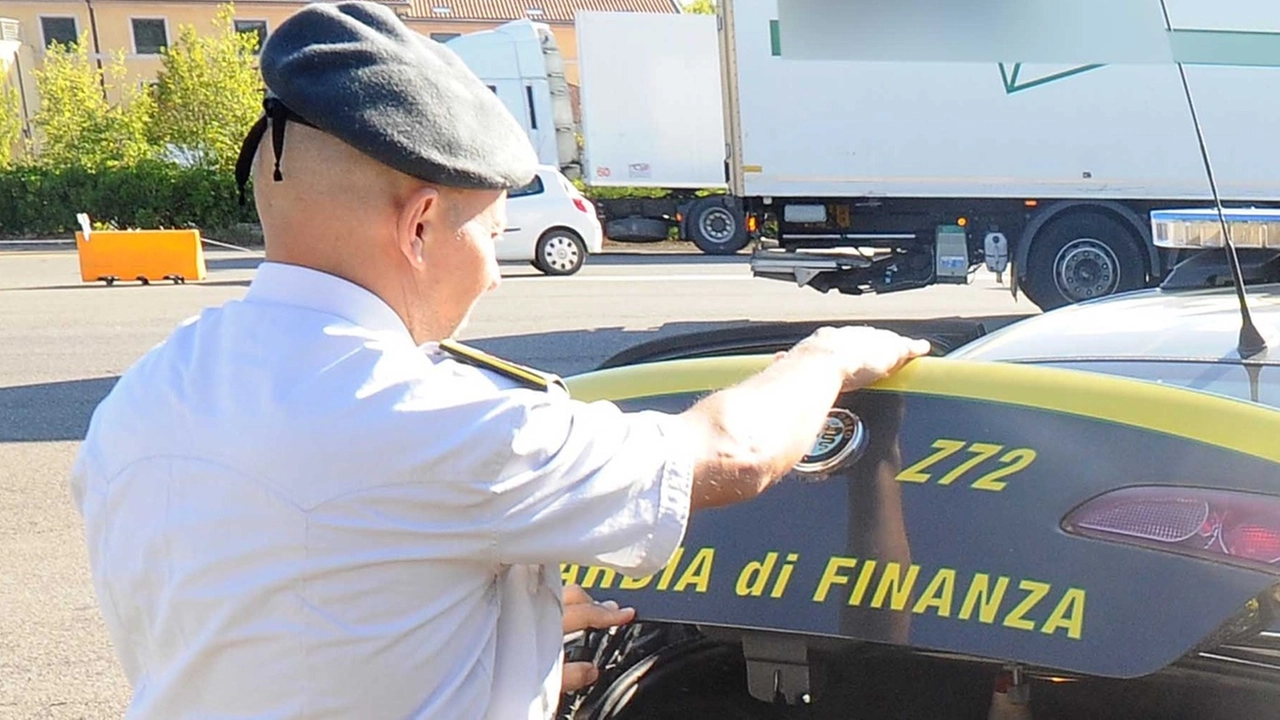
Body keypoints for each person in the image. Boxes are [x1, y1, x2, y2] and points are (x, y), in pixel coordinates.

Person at [67, 3, 931, 719]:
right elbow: (732, 454)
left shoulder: (145, 396)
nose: (495, 271)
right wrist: (831, 353)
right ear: (418, 226)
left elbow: (268, 617)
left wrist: (480, 642)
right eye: (490, 231)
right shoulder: (429, 419)